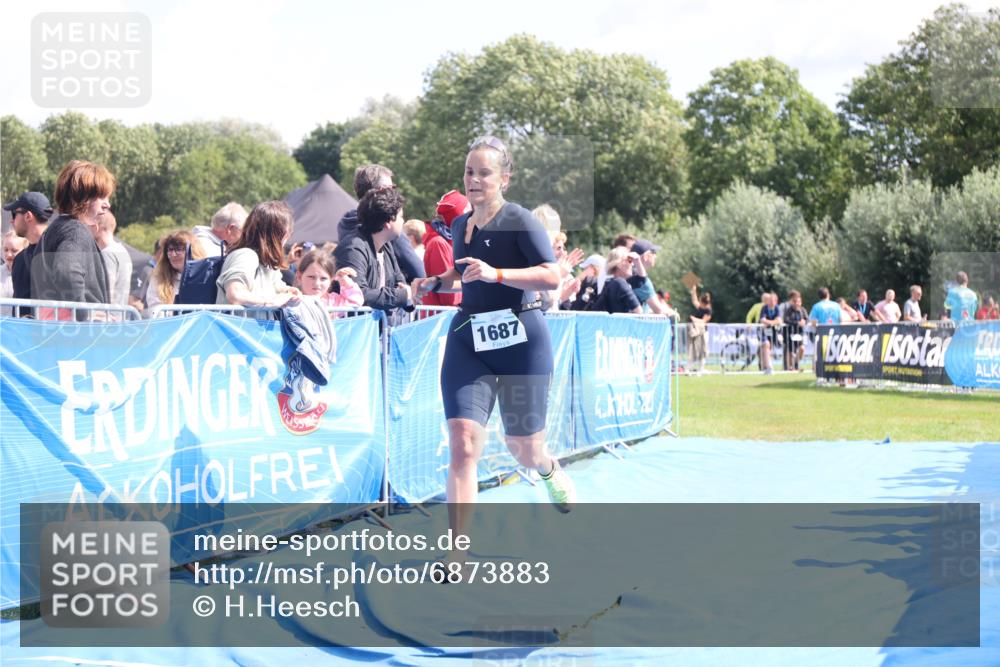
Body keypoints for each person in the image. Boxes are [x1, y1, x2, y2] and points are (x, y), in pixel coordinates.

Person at [415, 135, 573, 570]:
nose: (474, 179)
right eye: (469, 171)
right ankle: (457, 551)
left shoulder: (520, 220)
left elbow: (551, 276)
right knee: (464, 444)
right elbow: (464, 273)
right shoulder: (461, 224)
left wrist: (498, 273)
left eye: (484, 172)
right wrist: (438, 282)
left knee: (523, 448)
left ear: (504, 177)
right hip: (471, 341)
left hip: (523, 341)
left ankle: (546, 467)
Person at [31, 161, 112, 320]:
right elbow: (66, 272)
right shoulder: (75, 231)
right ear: (82, 197)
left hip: (55, 330)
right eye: (100, 196)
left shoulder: (55, 229)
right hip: (76, 334)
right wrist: (85, 314)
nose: (107, 204)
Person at [335, 186, 414, 321]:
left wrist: (405, 295)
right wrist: (401, 296)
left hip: (379, 333)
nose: (403, 221)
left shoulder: (387, 246)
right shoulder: (353, 248)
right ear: (388, 222)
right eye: (401, 216)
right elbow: (359, 294)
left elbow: (400, 283)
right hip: (357, 333)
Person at [336, 164, 425, 283]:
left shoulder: (345, 223)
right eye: (391, 188)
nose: (394, 192)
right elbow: (419, 272)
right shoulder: (388, 229)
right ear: (380, 191)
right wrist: (403, 293)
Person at [216, 201, 301, 307]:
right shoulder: (246, 256)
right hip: (238, 323)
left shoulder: (267, 263)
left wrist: (288, 292)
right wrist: (272, 302)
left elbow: (277, 286)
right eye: (288, 234)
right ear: (283, 234)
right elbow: (235, 294)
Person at [422, 190, 468, 308]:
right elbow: (448, 297)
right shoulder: (439, 243)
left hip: (447, 316)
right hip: (440, 319)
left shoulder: (449, 241)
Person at [4, 191, 52, 307]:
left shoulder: (59, 251)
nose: (12, 220)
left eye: (14, 214)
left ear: (28, 216)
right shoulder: (20, 259)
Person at [146, 230, 205, 309]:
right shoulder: (158, 279)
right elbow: (155, 311)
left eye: (179, 249)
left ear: (192, 251)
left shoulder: (206, 278)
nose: (173, 254)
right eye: (170, 250)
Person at [294, 249, 363, 315]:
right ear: (299, 277)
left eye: (323, 278)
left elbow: (356, 301)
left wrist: (344, 281)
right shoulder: (291, 300)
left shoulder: (333, 301)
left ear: (331, 280)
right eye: (311, 277)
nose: (317, 283)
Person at [92, 212, 133, 309]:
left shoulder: (107, 254)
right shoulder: (122, 251)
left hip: (107, 317)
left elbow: (106, 290)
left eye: (90, 226)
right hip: (118, 315)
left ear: (97, 226)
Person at [595, 247, 642, 314]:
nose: (632, 264)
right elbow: (639, 312)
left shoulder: (610, 283)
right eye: (629, 260)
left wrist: (638, 262)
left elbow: (642, 281)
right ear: (619, 264)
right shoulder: (620, 283)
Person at [1, 231, 28, 315]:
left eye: (14, 250)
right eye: (5, 250)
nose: (9, 254)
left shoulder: (29, 273)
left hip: (20, 324)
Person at [688, 284, 712, 373]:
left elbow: (704, 321)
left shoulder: (708, 310)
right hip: (696, 332)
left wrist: (694, 319)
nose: (699, 302)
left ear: (703, 302)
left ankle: (701, 369)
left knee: (703, 350)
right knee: (694, 350)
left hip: (703, 332)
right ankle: (690, 367)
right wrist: (694, 290)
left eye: (700, 301)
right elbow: (694, 300)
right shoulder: (700, 307)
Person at [782, 290, 808, 371]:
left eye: (799, 302)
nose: (797, 303)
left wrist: (804, 321)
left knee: (802, 349)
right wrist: (797, 323)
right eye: (796, 301)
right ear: (793, 302)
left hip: (800, 333)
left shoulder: (802, 310)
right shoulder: (789, 310)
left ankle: (796, 362)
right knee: (791, 351)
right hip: (790, 333)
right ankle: (791, 367)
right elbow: (786, 319)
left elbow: (807, 319)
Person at [759, 292, 782, 374]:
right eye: (769, 300)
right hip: (763, 331)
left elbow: (779, 320)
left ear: (776, 301)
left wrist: (770, 322)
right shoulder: (764, 308)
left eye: (773, 301)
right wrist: (773, 322)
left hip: (773, 332)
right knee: (766, 345)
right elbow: (762, 320)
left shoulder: (777, 308)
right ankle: (768, 367)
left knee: (768, 348)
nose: (771, 302)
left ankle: (765, 366)